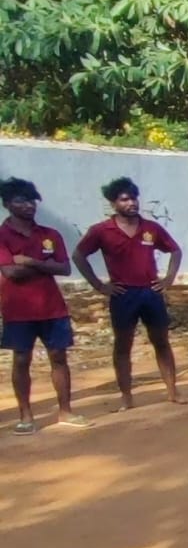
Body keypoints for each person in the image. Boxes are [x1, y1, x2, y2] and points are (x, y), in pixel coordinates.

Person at [72, 177, 186, 409]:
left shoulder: (151, 228)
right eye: (124, 199)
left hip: (151, 292)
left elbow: (175, 250)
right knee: (123, 346)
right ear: (113, 203)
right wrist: (99, 285)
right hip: (123, 295)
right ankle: (126, 397)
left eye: (133, 198)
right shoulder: (102, 231)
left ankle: (172, 391)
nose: (131, 203)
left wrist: (168, 279)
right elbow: (78, 255)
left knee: (161, 341)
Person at [0, 178, 88, 435]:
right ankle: (26, 417)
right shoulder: (2, 236)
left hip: (52, 307)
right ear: (7, 204)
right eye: (21, 201)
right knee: (21, 360)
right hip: (18, 310)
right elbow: (11, 272)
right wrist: (45, 266)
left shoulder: (50, 235)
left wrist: (29, 261)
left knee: (59, 357)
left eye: (32, 200)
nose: (29, 205)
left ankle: (66, 411)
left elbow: (65, 268)